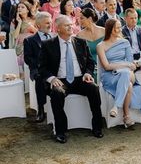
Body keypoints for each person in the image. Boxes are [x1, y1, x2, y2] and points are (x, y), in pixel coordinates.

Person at [38, 15, 103, 143]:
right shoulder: (48, 45)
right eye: (67, 25)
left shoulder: (81, 42)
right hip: (61, 80)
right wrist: (51, 79)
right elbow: (42, 67)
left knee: (94, 89)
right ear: (58, 29)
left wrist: (87, 73)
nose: (71, 27)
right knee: (56, 93)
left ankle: (97, 126)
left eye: (71, 24)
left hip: (80, 79)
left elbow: (91, 62)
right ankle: (61, 131)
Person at [97, 19, 141, 127]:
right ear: (110, 29)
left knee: (125, 74)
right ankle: (126, 116)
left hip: (128, 72)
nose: (120, 30)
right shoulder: (101, 46)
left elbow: (130, 62)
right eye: (117, 28)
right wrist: (125, 65)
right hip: (110, 76)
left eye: (120, 27)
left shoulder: (125, 42)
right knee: (128, 85)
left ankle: (116, 106)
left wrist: (126, 66)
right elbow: (106, 66)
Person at [24, 12, 53, 122]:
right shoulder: (30, 40)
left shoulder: (54, 36)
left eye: (50, 22)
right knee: (40, 78)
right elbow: (28, 58)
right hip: (37, 69)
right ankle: (41, 109)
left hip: (53, 68)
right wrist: (41, 64)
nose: (50, 25)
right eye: (47, 23)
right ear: (38, 25)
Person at [75, 8, 105, 80]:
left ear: (90, 18)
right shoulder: (79, 36)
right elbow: (81, 57)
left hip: (105, 65)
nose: (80, 21)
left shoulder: (104, 31)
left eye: (82, 18)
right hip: (90, 69)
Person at [9, 1, 37, 73]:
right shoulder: (14, 21)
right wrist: (20, 23)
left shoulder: (34, 19)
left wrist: (30, 26)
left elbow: (38, 33)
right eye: (18, 7)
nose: (19, 9)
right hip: (20, 47)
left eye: (22, 7)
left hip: (32, 45)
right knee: (21, 70)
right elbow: (15, 36)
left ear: (27, 10)